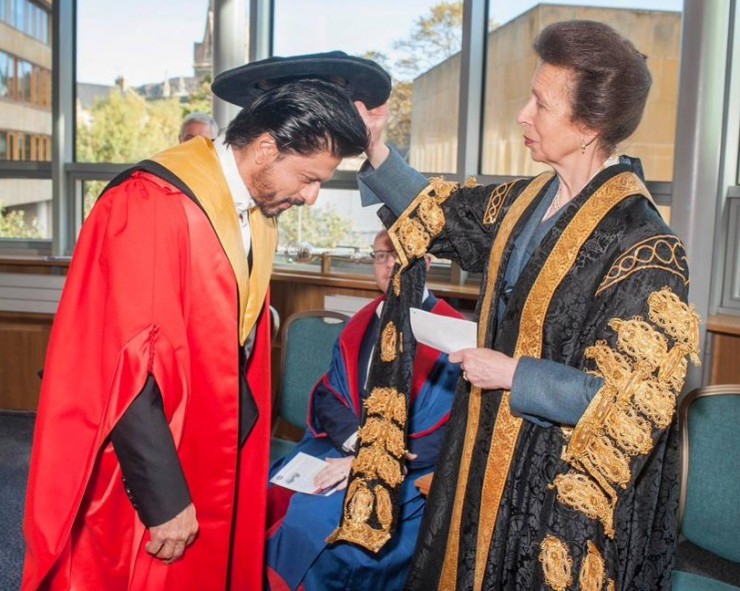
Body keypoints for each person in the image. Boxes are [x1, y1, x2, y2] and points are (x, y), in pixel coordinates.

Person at [21, 51, 390, 591]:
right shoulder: (151, 203)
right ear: (266, 148)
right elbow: (124, 366)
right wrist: (164, 499)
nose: (311, 197)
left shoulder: (256, 211)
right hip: (148, 465)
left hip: (211, 443)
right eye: (309, 178)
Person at [355, 21, 701, 591]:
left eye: (540, 103)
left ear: (589, 127)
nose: (522, 114)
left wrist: (514, 373)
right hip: (478, 454)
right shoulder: (523, 201)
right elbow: (439, 215)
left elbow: (630, 404)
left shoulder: (646, 246)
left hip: (553, 492)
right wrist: (375, 146)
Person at [264, 229, 464, 591]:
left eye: (398, 256)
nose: (388, 266)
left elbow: (449, 430)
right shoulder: (362, 322)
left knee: (314, 526)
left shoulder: (452, 332)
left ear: (427, 263)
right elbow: (329, 395)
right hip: (347, 450)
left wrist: (372, 461)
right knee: (268, 491)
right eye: (379, 256)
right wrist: (358, 444)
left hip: (408, 469)